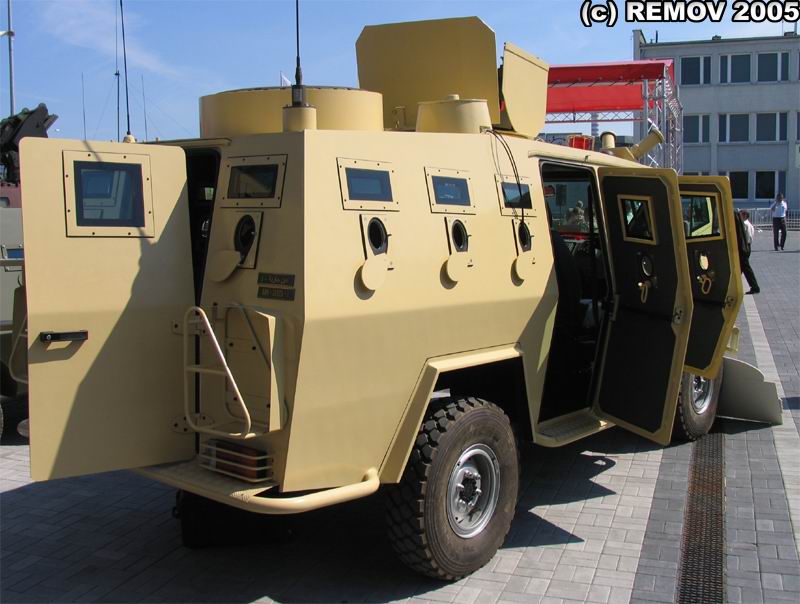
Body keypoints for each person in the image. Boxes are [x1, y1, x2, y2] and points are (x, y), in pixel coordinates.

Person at [737, 210, 760, 294]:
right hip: (747, 246)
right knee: (741, 267)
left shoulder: (745, 224)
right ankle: (735, 285)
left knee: (746, 268)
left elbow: (745, 237)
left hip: (744, 247)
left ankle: (755, 287)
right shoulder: (749, 224)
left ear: (744, 216)